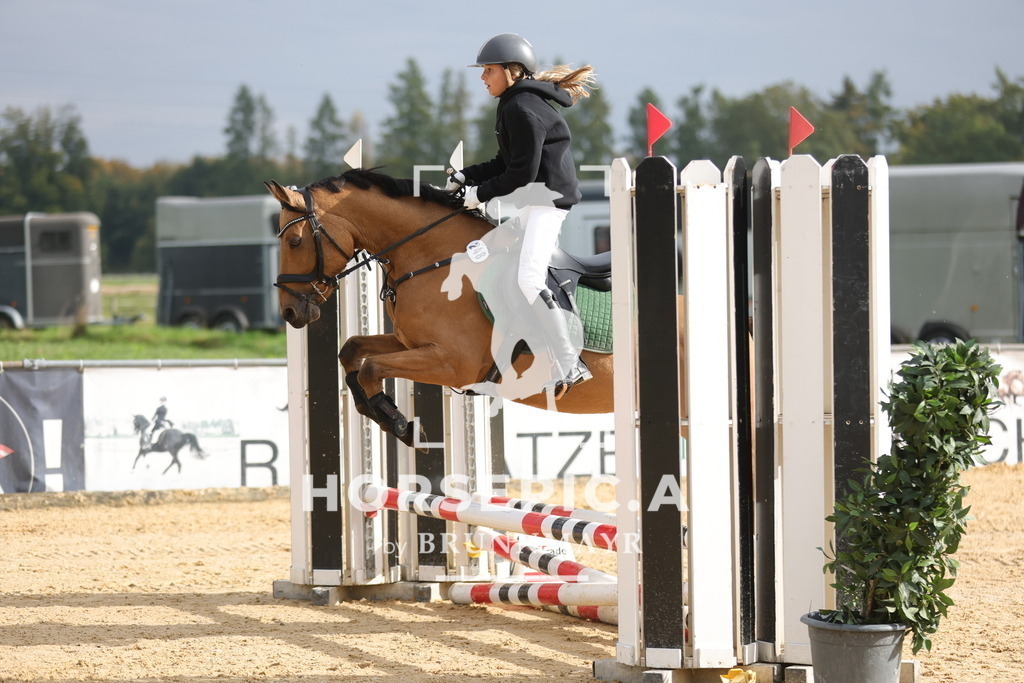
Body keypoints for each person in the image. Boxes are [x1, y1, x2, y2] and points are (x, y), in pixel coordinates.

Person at [449, 33, 596, 398]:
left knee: (530, 278)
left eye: (488, 70)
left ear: (511, 72)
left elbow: (521, 175)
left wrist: (478, 195)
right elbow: (505, 163)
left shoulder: (522, 108)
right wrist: (468, 175)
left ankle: (570, 362)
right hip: (535, 202)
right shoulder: (515, 103)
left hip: (547, 204)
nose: (482, 77)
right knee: (495, 267)